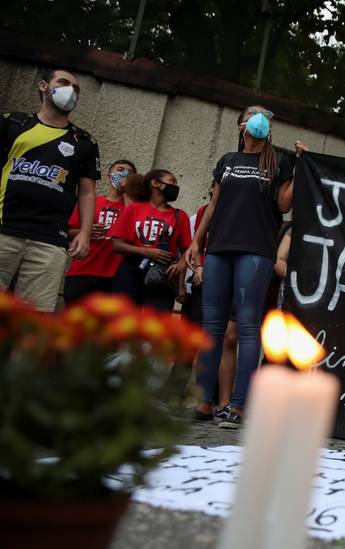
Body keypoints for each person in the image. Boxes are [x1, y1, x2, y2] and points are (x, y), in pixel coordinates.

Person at [186, 105, 304, 428]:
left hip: (256, 251)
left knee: (248, 328)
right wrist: (197, 242)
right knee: (211, 327)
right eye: (254, 114)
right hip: (219, 249)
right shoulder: (227, 160)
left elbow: (283, 203)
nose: (260, 118)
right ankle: (204, 401)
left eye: (267, 115)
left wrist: (300, 166)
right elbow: (213, 206)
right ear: (241, 124)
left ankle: (238, 406)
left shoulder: (278, 161)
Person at [0, 68, 99, 311]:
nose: (71, 91)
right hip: (4, 228)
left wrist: (85, 233)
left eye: (76, 88)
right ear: (44, 86)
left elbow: (86, 192)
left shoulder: (85, 143)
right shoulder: (12, 123)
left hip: (51, 240)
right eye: (64, 83)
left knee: (35, 321)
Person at [109, 170, 191, 311]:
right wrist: (147, 252)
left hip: (162, 273)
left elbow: (187, 250)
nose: (175, 186)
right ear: (155, 183)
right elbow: (116, 245)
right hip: (132, 269)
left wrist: (180, 265)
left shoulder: (180, 216)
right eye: (172, 181)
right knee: (124, 319)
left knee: (155, 323)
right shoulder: (134, 209)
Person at [63, 159, 136, 302]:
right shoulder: (91, 202)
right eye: (120, 170)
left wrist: (128, 192)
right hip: (82, 271)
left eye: (130, 173)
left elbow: (133, 233)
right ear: (109, 176)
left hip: (114, 277)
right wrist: (85, 231)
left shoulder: (133, 207)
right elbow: (67, 233)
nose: (125, 175)